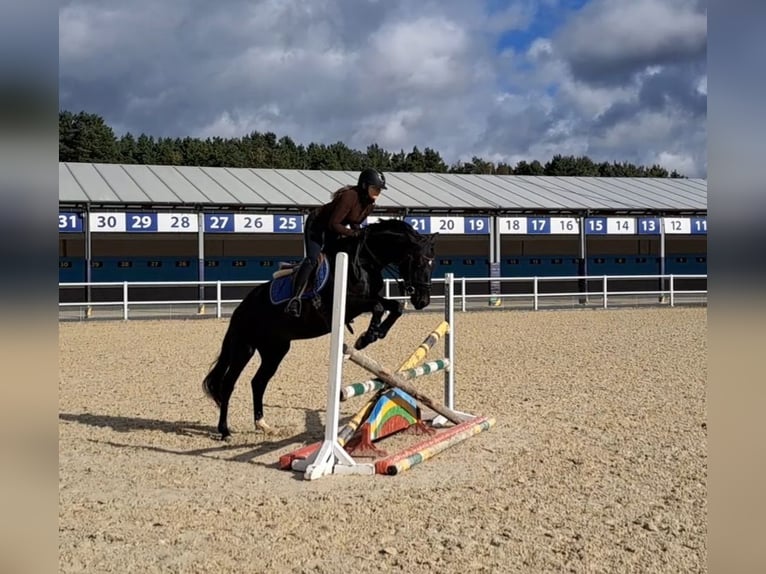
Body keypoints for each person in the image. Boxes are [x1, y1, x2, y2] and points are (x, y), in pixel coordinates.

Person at [284, 167, 387, 317]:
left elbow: (355, 223)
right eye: (375, 188)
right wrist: (353, 233)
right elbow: (334, 223)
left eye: (380, 189)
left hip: (335, 229)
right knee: (314, 259)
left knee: (341, 257)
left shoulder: (370, 204)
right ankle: (295, 299)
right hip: (317, 226)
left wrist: (361, 235)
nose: (378, 192)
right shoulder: (349, 196)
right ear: (364, 186)